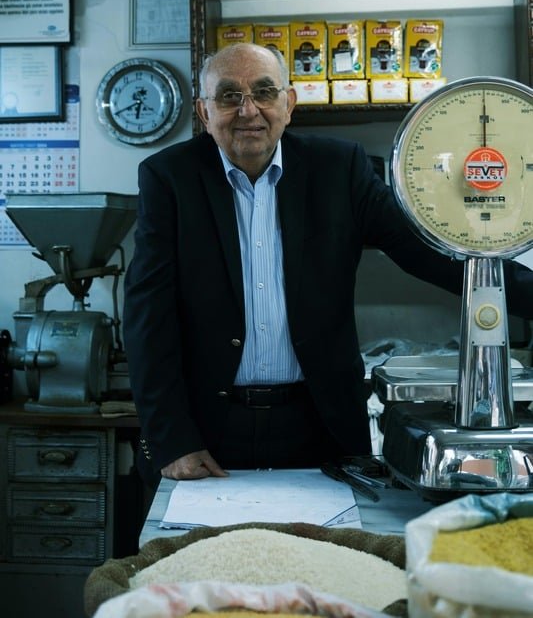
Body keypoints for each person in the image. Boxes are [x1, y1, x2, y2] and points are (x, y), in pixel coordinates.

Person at [123, 42, 533, 486]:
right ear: (204, 113)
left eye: (264, 92)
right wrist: (172, 438)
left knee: (334, 553)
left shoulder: (340, 168)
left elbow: (430, 255)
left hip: (321, 424)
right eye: (228, 97)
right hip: (206, 431)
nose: (248, 111)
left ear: (289, 103)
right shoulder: (169, 177)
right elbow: (149, 314)